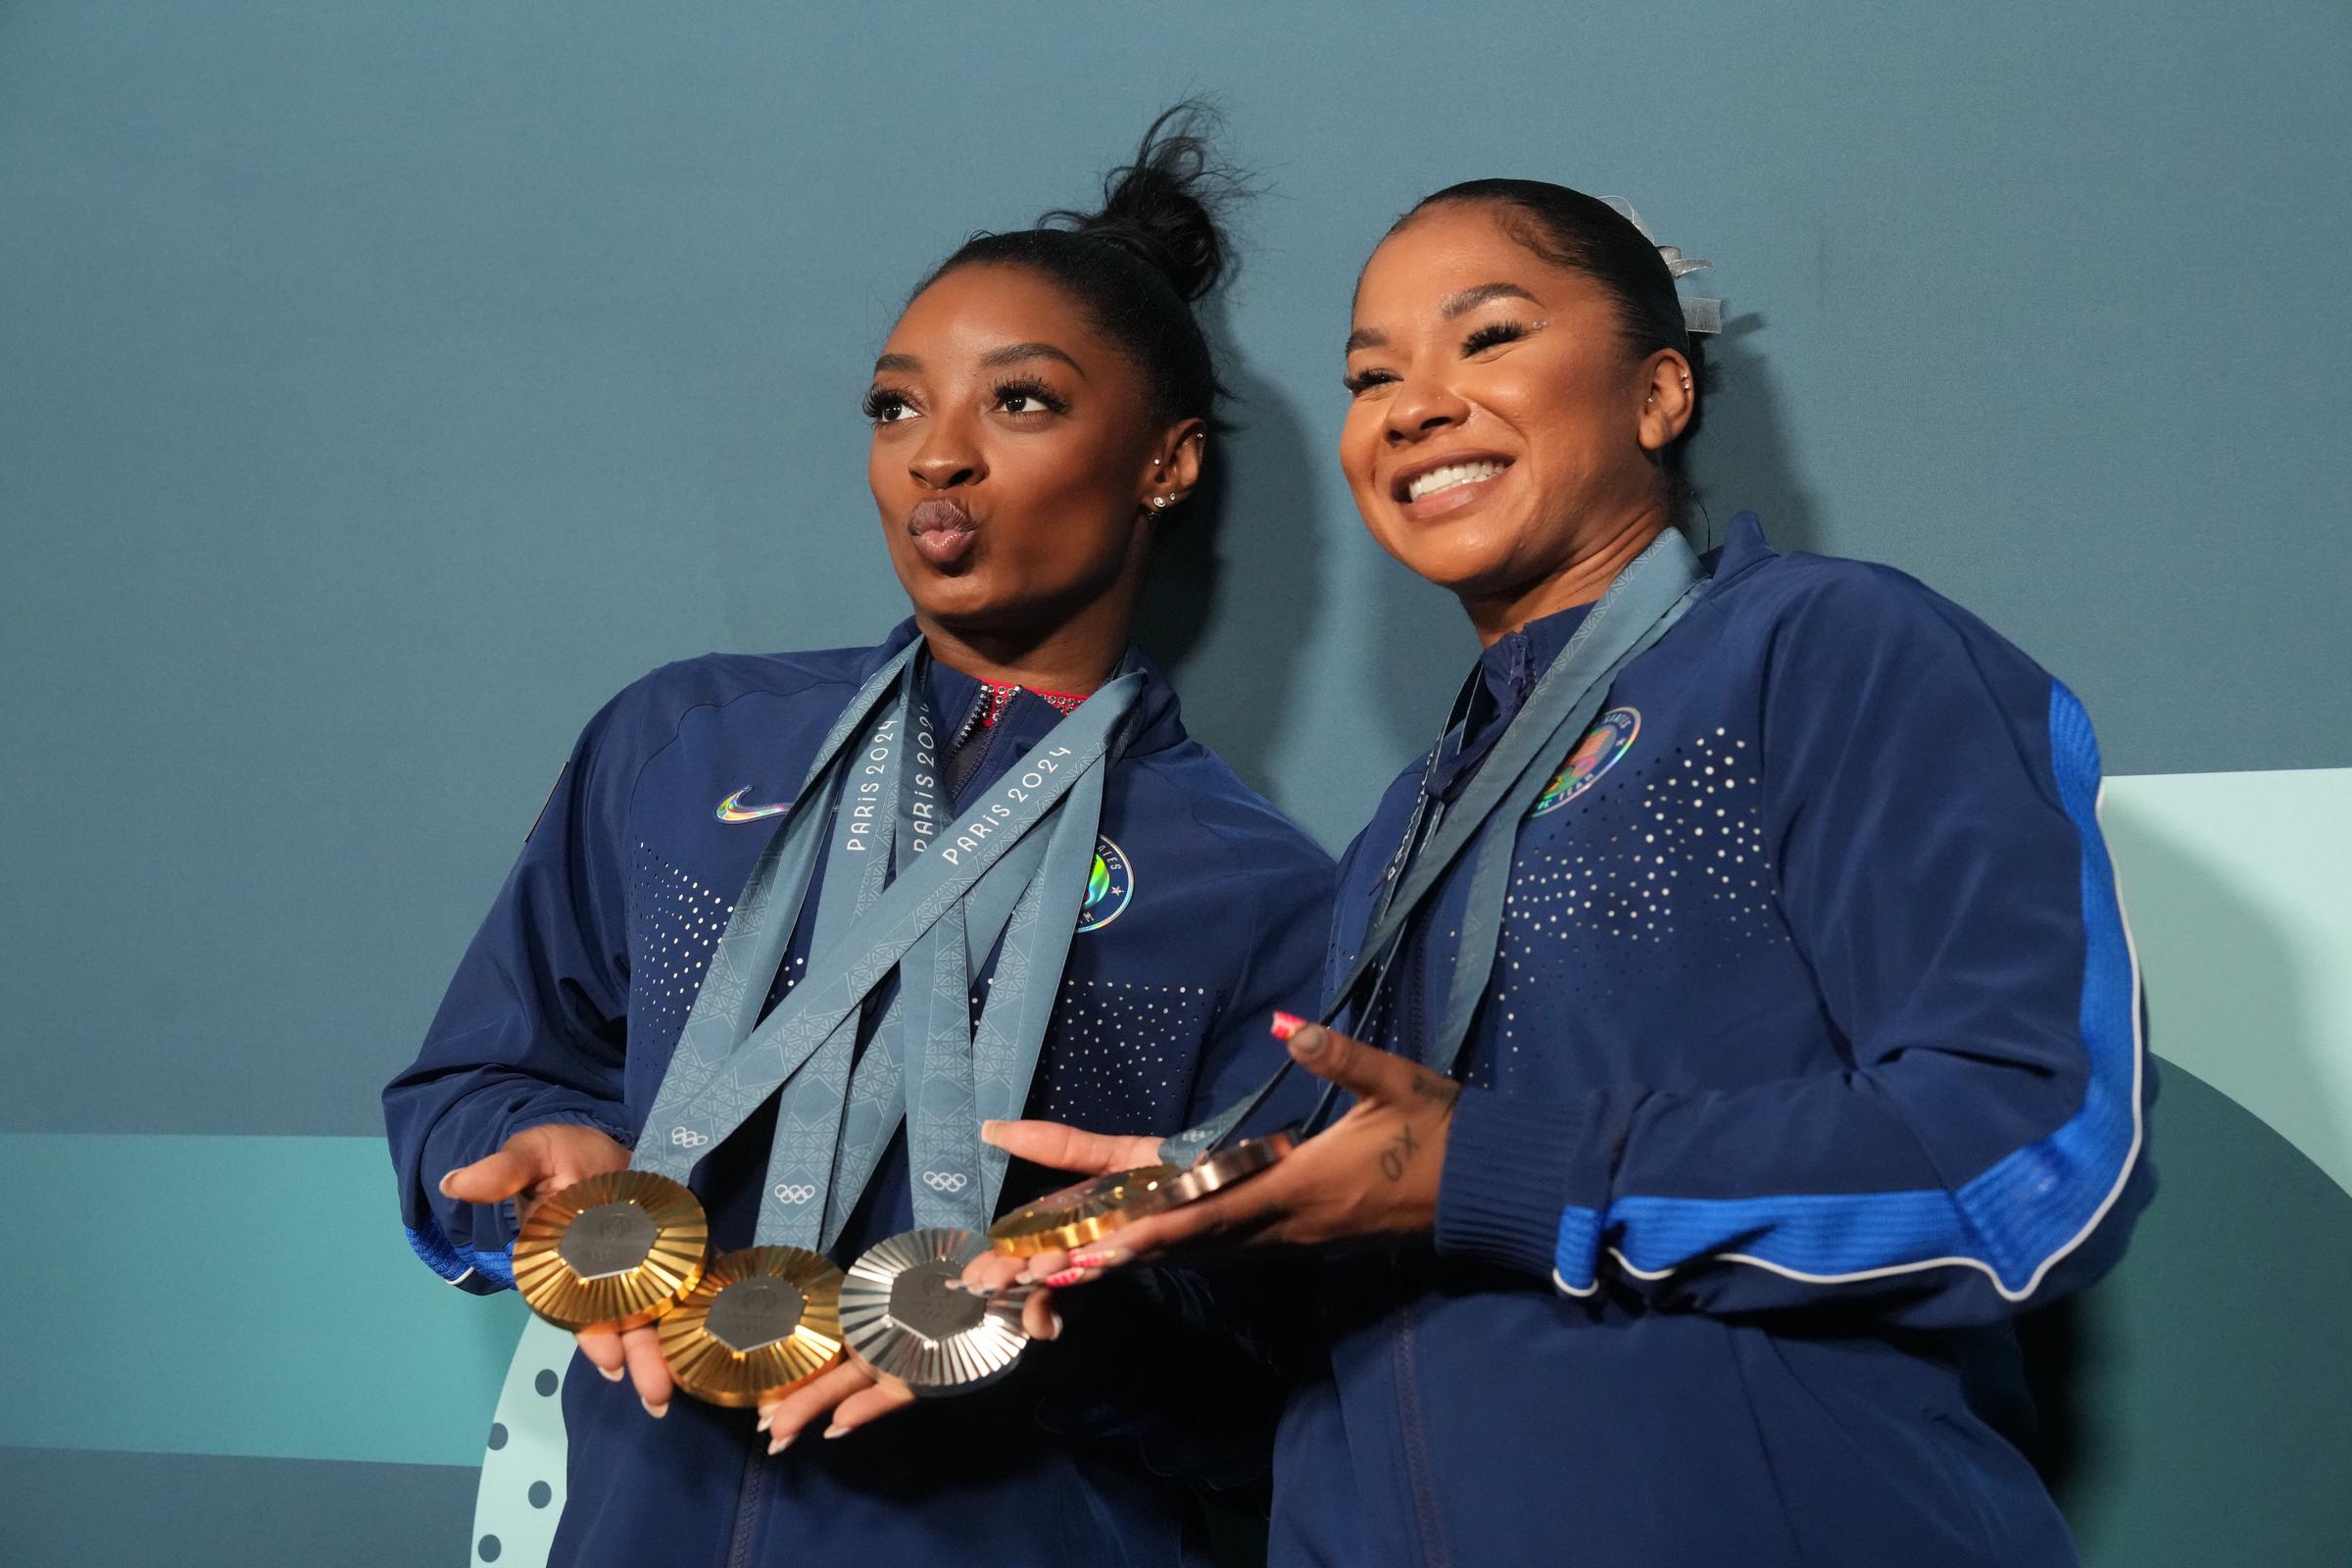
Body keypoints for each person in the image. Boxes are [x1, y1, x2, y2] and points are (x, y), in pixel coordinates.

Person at [978, 179, 2153, 1566]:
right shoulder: (1398, 841)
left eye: (1486, 340)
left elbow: (2030, 1156)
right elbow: (1313, 1391)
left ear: (1660, 393)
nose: (1411, 405)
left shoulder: (1828, 650)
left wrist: (1479, 1165)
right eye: (1370, 376)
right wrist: (1077, 1291)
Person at [383, 108, 1336, 1568]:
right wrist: (528, 1152)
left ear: (1165, 464)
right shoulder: (685, 741)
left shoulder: (1262, 891)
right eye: (896, 408)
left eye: (1019, 404)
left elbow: (1262, 1406)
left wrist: (1049, 1322)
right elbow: (459, 1092)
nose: (935, 458)